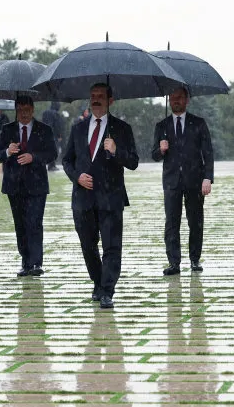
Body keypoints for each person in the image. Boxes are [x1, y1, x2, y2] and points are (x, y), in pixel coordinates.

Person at [62, 83, 138, 309]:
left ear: (110, 100)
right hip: (83, 199)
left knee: (112, 247)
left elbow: (133, 161)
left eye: (101, 96)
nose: (96, 100)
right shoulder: (78, 128)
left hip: (111, 198)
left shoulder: (122, 129)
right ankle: (98, 282)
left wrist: (116, 151)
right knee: (88, 245)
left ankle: (107, 291)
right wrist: (77, 177)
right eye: (93, 95)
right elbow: (67, 160)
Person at [151, 87, 214, 276]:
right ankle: (174, 262)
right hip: (171, 181)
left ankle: (195, 259)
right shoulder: (162, 126)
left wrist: (207, 178)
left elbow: (208, 153)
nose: (175, 101)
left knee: (195, 221)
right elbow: (154, 155)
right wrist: (161, 150)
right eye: (172, 98)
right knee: (172, 222)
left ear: (187, 100)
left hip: (195, 180)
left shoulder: (198, 123)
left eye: (179, 97)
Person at [0, 96, 57, 276]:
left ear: (33, 109)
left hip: (37, 185)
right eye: (20, 110)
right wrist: (8, 151)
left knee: (34, 222)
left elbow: (52, 154)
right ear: (16, 110)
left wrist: (33, 157)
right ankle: (26, 262)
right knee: (20, 224)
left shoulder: (44, 130)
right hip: (14, 186)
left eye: (27, 110)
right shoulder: (7, 130)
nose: (24, 114)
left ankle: (36, 263)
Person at [40, 101, 64, 171]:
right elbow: (57, 126)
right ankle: (52, 166)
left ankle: (44, 164)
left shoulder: (45, 112)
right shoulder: (56, 113)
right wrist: (59, 135)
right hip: (53, 134)